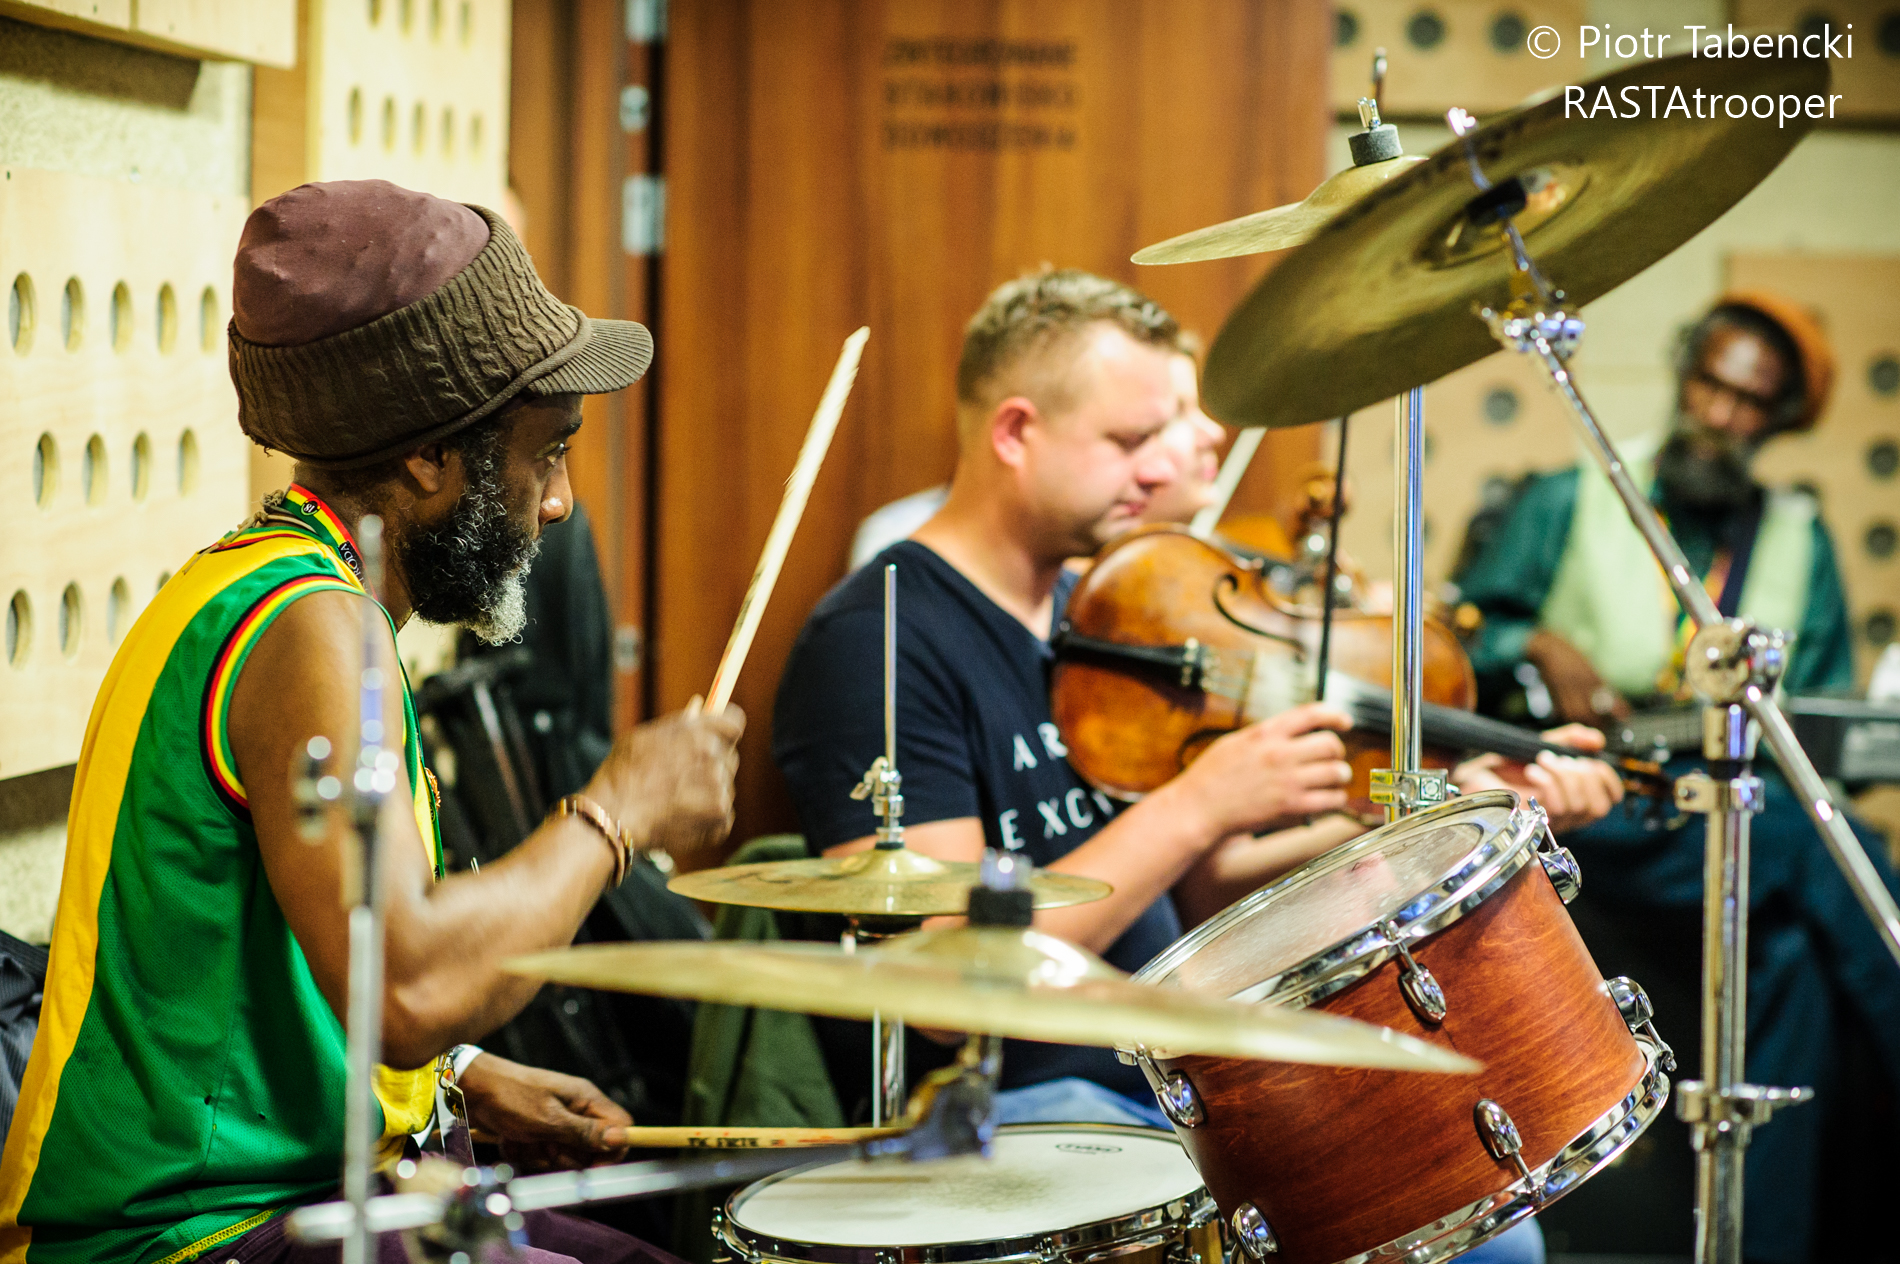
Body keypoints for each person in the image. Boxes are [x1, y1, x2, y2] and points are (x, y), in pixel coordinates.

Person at [0, 181, 741, 1264]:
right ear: (427, 458)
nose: (557, 504)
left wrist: (457, 1079)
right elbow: (409, 986)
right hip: (189, 1236)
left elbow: (267, 971)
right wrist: (618, 810)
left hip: (283, 1192)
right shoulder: (311, 627)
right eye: (548, 451)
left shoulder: (268, 588)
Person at [774, 267, 1622, 1117]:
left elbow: (1189, 893)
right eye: (1134, 437)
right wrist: (1197, 805)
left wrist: (1429, 813)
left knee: (1493, 1205)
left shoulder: (1096, 610)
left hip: (1171, 1066)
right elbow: (948, 986)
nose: (1174, 460)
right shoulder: (875, 642)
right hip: (1026, 1106)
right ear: (1016, 432)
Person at [1455, 292, 1900, 1263]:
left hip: (1728, 818)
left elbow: (1815, 720)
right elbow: (1461, 642)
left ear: (1776, 418)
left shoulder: (1797, 535)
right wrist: (1530, 636)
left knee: (1786, 947)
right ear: (1682, 372)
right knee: (1802, 844)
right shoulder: (1570, 494)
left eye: (1749, 401)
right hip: (1594, 812)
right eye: (1709, 384)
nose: (1721, 413)